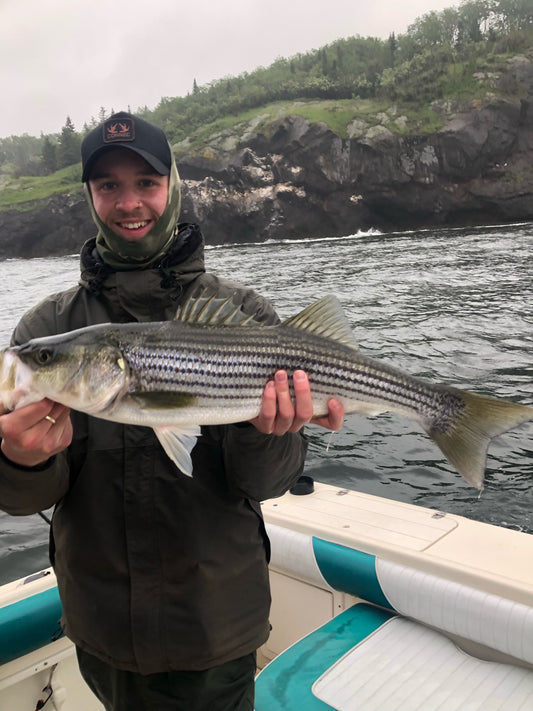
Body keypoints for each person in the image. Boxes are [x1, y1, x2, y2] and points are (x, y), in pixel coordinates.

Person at [0, 112, 344, 711]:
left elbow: (267, 483)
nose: (129, 202)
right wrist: (18, 459)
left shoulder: (243, 311)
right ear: (89, 196)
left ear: (174, 186)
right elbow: (27, 499)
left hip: (217, 623)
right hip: (101, 625)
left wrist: (270, 435)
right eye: (108, 186)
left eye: (146, 183)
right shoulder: (47, 330)